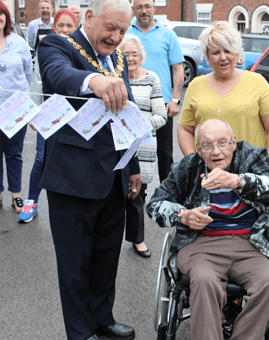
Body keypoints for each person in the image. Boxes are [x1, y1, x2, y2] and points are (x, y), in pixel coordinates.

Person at [37, 0, 142, 339]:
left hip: (114, 175)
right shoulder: (58, 44)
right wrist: (94, 80)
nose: (116, 37)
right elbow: (58, 74)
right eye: (111, 27)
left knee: (106, 257)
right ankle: (81, 332)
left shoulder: (120, 57)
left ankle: (102, 318)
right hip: (73, 176)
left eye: (123, 31)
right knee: (75, 265)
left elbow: (123, 114)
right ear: (89, 17)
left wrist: (134, 167)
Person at [147, 118, 269, 340]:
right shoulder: (189, 167)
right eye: (207, 145)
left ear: (233, 143)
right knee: (203, 281)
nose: (215, 151)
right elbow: (154, 204)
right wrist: (183, 215)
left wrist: (238, 181)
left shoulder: (252, 157)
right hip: (200, 244)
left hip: (249, 243)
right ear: (199, 149)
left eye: (222, 143)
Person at [177, 21, 269, 167]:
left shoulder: (257, 82)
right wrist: (194, 163)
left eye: (228, 50)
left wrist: (267, 167)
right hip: (209, 175)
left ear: (237, 52)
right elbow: (184, 129)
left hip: (250, 172)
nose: (223, 57)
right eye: (216, 53)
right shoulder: (196, 86)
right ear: (207, 57)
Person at [18, 8, 77, 223]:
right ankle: (31, 202)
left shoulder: (81, 52)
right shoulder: (46, 50)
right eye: (61, 25)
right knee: (42, 158)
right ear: (53, 27)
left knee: (71, 161)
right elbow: (36, 83)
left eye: (69, 26)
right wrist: (34, 112)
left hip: (74, 118)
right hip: (49, 115)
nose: (64, 29)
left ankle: (70, 208)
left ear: (76, 28)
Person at [119, 34, 167, 257]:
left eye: (134, 54)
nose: (130, 58)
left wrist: (137, 124)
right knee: (115, 195)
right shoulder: (114, 79)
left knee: (137, 195)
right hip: (117, 145)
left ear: (141, 56)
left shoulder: (152, 78)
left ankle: (138, 240)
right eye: (125, 54)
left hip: (143, 146)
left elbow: (161, 116)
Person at [127, 0, 184, 182]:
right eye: (139, 7)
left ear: (154, 7)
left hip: (163, 104)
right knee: (132, 151)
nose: (144, 11)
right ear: (133, 9)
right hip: (132, 105)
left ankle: (167, 196)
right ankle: (136, 196)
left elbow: (178, 68)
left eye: (147, 6)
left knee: (165, 153)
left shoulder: (168, 35)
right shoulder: (125, 33)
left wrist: (175, 99)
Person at [0, 1, 32, 212]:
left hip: (15, 110)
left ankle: (16, 195)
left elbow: (28, 73)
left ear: (6, 18)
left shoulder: (19, 43)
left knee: (14, 153)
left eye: (0, 15)